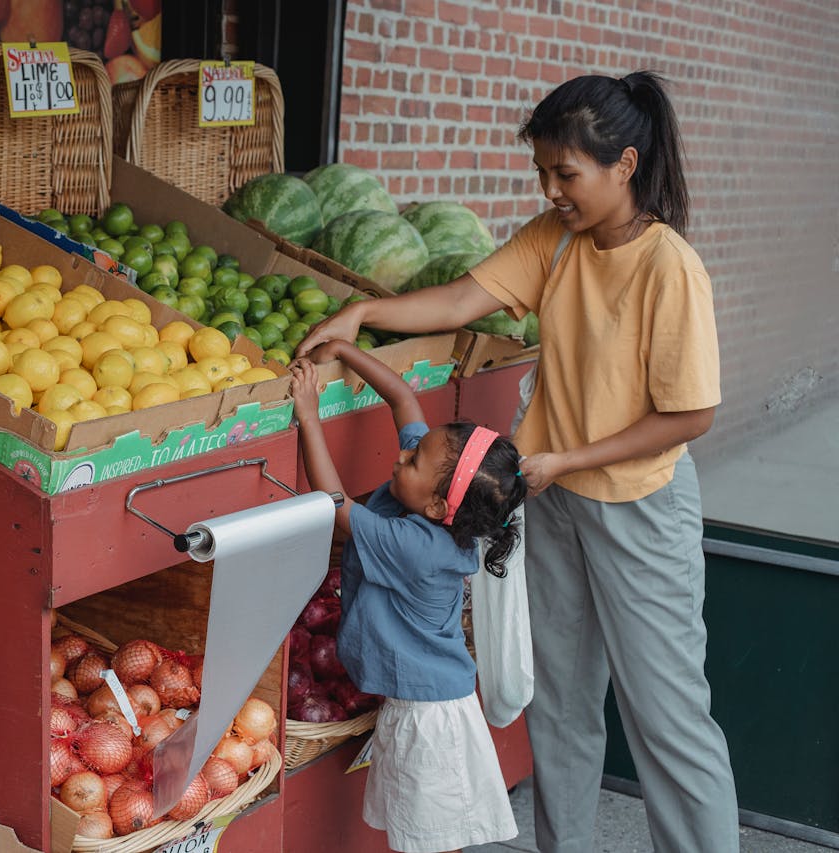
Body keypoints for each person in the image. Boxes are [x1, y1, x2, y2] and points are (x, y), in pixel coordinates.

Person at [297, 71, 738, 853]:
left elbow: (690, 414)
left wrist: (568, 455)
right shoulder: (554, 240)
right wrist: (364, 312)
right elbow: (460, 299)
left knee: (667, 716)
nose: (551, 189)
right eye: (543, 172)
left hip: (639, 506)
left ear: (625, 166)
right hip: (554, 501)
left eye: (565, 173)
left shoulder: (670, 267)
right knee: (561, 703)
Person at [290, 340, 526, 853]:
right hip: (418, 705)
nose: (402, 456)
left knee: (431, 840)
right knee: (424, 835)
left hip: (429, 720)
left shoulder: (418, 545)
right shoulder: (430, 498)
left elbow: (335, 505)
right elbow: (404, 399)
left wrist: (309, 415)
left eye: (413, 459)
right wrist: (347, 351)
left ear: (442, 506)